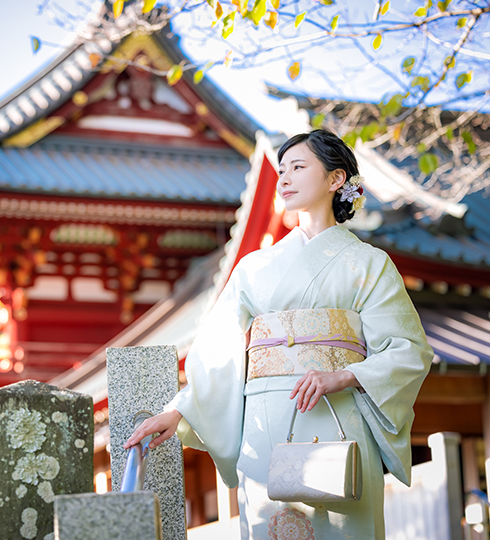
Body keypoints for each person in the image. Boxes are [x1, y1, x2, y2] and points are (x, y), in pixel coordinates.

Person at [124, 129, 433, 539]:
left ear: (336, 179)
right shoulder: (254, 267)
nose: (283, 178)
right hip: (265, 419)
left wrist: (343, 375)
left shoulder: (369, 263)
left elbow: (408, 350)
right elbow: (219, 350)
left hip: (339, 411)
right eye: (281, 169)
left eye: (298, 167)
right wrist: (180, 410)